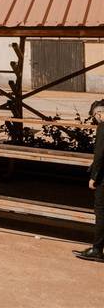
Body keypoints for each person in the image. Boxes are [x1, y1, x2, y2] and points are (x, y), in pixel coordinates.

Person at [73, 100, 104, 262]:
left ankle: (97, 249)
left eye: (94, 117)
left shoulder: (103, 127)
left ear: (99, 113)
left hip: (103, 177)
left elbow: (100, 155)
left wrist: (94, 176)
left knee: (100, 212)